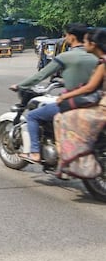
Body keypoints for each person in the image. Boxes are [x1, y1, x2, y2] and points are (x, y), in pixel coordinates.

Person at [10, 23, 98, 163]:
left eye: (66, 35)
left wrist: (20, 85)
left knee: (32, 116)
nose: (65, 37)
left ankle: (34, 153)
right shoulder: (96, 57)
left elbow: (41, 75)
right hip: (94, 101)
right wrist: (65, 81)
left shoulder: (66, 56)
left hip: (73, 102)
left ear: (72, 37)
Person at [53, 28, 106, 178]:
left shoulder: (103, 63)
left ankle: (73, 162)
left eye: (85, 41)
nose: (84, 44)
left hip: (103, 109)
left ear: (93, 44)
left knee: (61, 118)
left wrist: (65, 96)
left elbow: (89, 87)